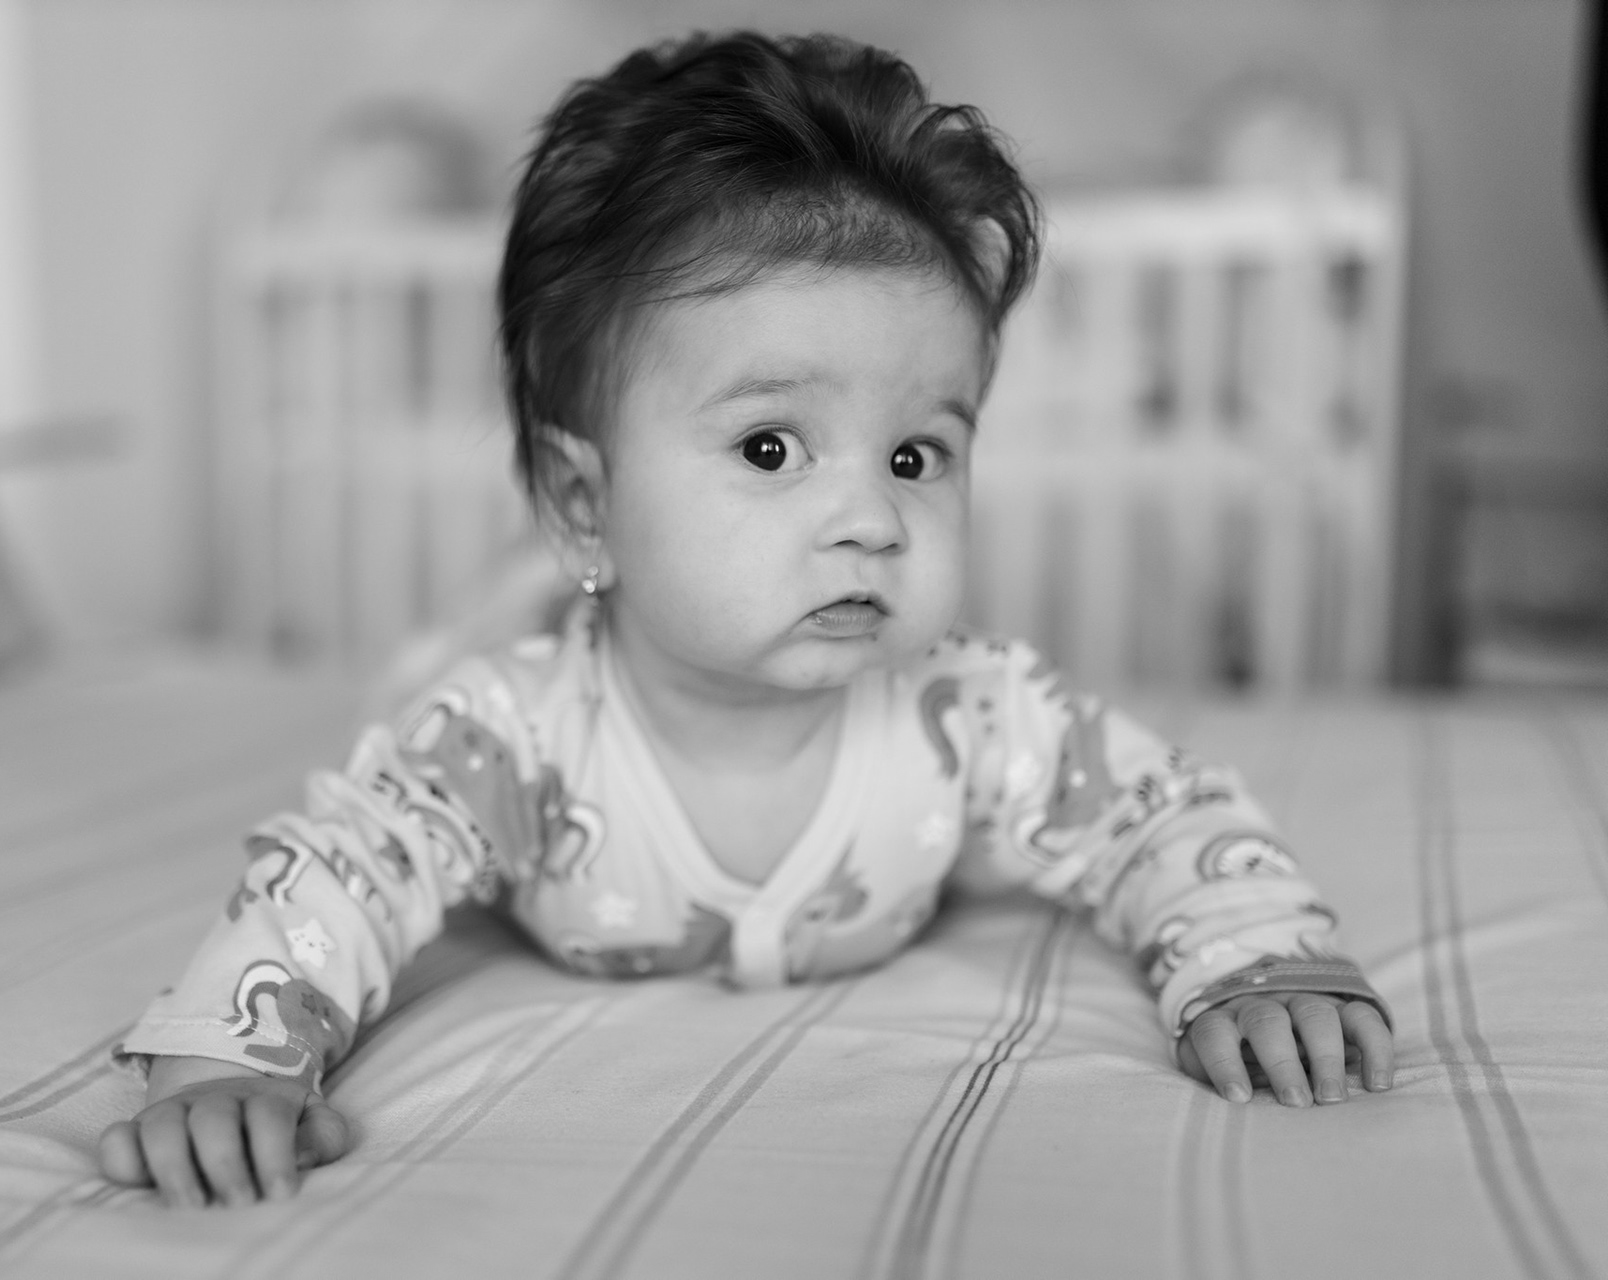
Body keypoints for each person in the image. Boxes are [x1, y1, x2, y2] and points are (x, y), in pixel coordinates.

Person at [99, 31, 1395, 1208]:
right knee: (437, 682)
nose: (872, 521)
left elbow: (1160, 816)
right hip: (545, 629)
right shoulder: (508, 740)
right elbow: (336, 873)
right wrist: (236, 1061)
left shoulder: (966, 713)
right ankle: (516, 592)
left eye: (916, 456)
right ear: (584, 500)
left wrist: (1259, 961)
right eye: (771, 447)